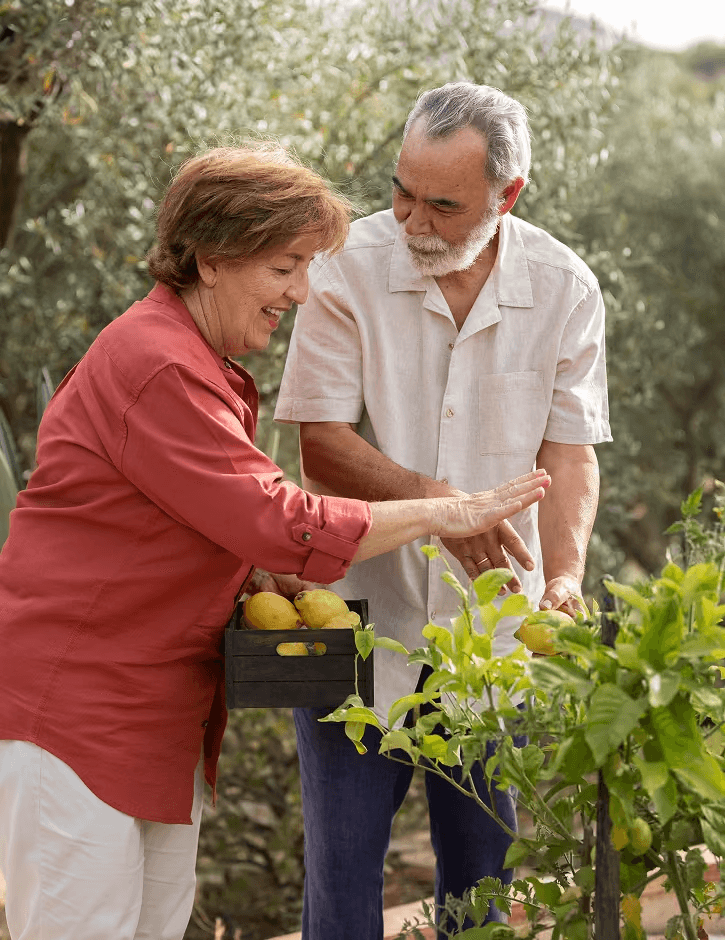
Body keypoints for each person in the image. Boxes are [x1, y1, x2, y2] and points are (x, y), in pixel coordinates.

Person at [0, 143, 549, 940]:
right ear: (213, 258)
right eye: (284, 267)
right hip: (80, 718)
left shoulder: (200, 362)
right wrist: (440, 510)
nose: (299, 292)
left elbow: (203, 523)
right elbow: (280, 518)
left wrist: (255, 575)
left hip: (154, 720)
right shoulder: (157, 363)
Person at [275, 82, 612, 937]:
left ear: (508, 196)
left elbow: (569, 454)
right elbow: (322, 445)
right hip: (351, 625)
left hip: (494, 638)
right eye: (400, 190)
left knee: (482, 895)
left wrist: (565, 577)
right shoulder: (345, 268)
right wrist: (439, 506)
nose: (410, 219)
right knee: (343, 890)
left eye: (442, 204)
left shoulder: (565, 289)